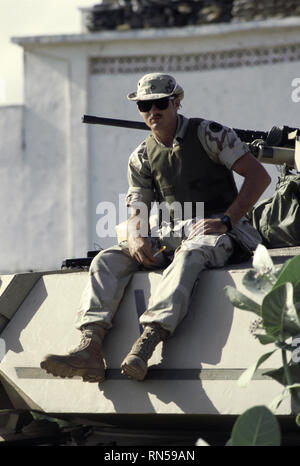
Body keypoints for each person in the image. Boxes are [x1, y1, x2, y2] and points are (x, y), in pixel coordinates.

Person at [40, 73, 271, 383]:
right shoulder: (142, 156)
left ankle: (147, 341)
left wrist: (227, 219)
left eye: (160, 103)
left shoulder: (209, 135)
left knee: (191, 254)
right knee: (107, 259)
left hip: (223, 231)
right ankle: (90, 347)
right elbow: (138, 205)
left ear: (176, 102)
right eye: (145, 106)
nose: (153, 112)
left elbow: (258, 177)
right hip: (176, 230)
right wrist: (136, 237)